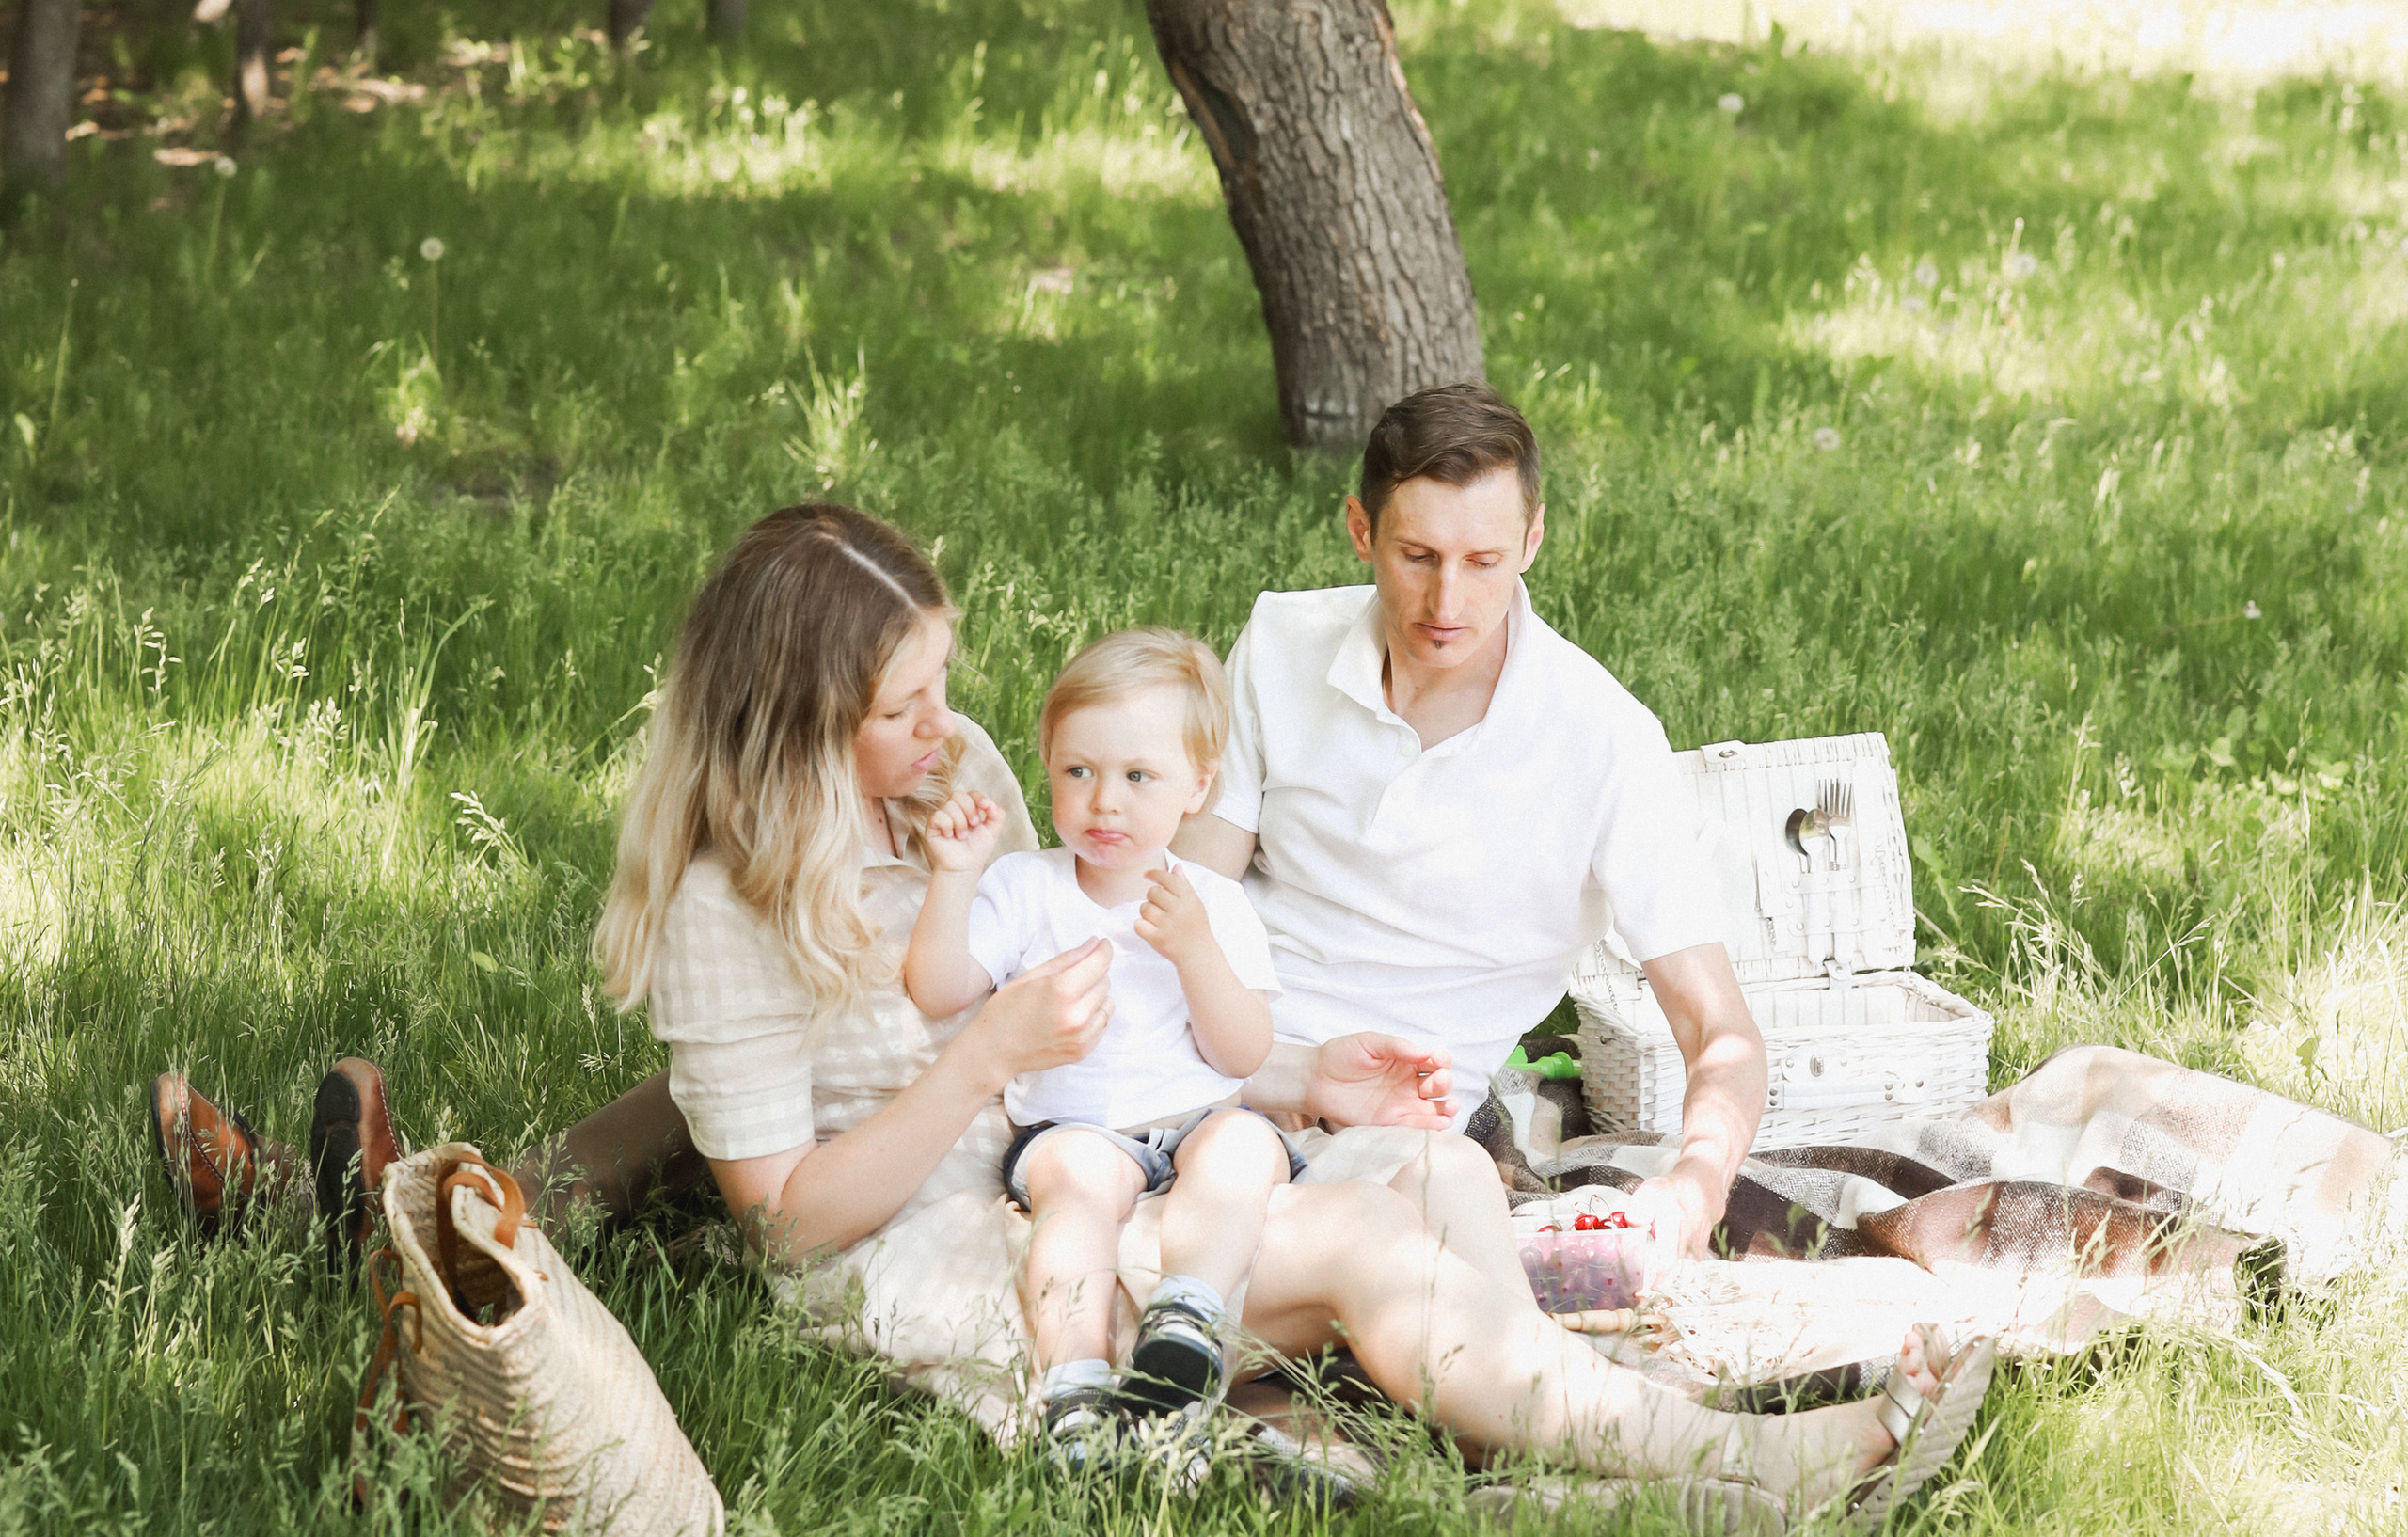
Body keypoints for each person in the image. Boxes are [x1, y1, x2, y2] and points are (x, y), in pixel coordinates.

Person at [151, 500, 1992, 1525]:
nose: (951, 721)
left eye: (948, 679)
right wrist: (975, 1061)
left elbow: (1081, 998)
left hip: (1047, 1141)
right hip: (915, 1245)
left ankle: (412, 1207)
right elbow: (784, 1207)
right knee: (1359, 1249)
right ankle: (1745, 1474)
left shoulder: (943, 777)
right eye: (907, 692)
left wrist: (1281, 1057)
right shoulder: (727, 906)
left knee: (1412, 1161)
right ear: (794, 712)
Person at [1176, 381, 1769, 1282]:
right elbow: (1190, 899)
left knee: (1350, 1273)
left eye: (1484, 561)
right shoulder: (1279, 643)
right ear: (1360, 530)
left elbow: (1719, 1027)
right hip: (1226, 1056)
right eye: (1417, 555)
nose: (1446, 599)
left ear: (1532, 540)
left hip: (1398, 1129)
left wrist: (1697, 1181)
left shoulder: (1604, 738)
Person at [904, 628, 1300, 1451]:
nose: (1104, 801)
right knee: (1078, 1187)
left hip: (1193, 1123)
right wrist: (953, 877)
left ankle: (1185, 1321)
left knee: (1245, 1147)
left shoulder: (1214, 904)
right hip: (1073, 1129)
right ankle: (1074, 1384)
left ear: (1198, 786)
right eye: (1078, 772)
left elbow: (1243, 1053)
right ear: (1047, 765)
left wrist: (1194, 951)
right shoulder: (1024, 886)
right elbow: (938, 988)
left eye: (1137, 777)